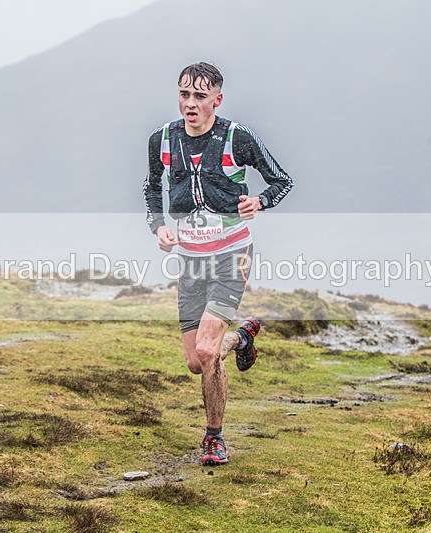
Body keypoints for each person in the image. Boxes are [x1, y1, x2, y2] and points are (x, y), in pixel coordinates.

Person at [143, 62, 293, 466]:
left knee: (208, 351)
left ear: (217, 99)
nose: (190, 104)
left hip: (231, 256)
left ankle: (214, 438)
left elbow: (282, 180)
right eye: (183, 94)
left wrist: (258, 200)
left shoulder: (236, 137)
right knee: (196, 361)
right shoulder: (162, 139)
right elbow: (150, 187)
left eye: (199, 96)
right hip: (190, 261)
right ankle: (242, 337)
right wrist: (158, 227)